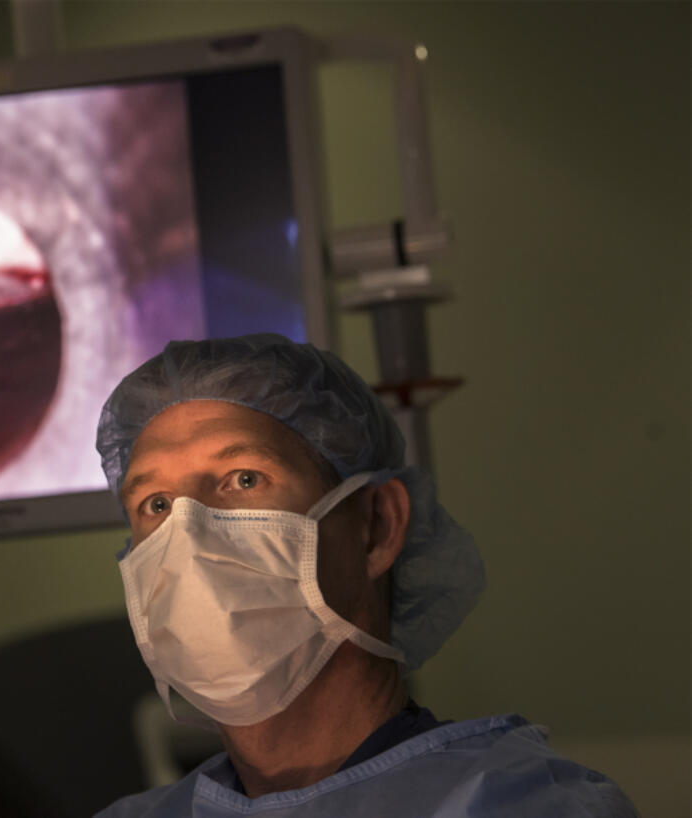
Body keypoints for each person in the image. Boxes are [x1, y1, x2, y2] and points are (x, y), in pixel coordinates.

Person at [93, 334, 636, 817]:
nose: (188, 534)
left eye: (244, 478)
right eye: (156, 503)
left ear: (376, 526)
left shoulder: (518, 805)